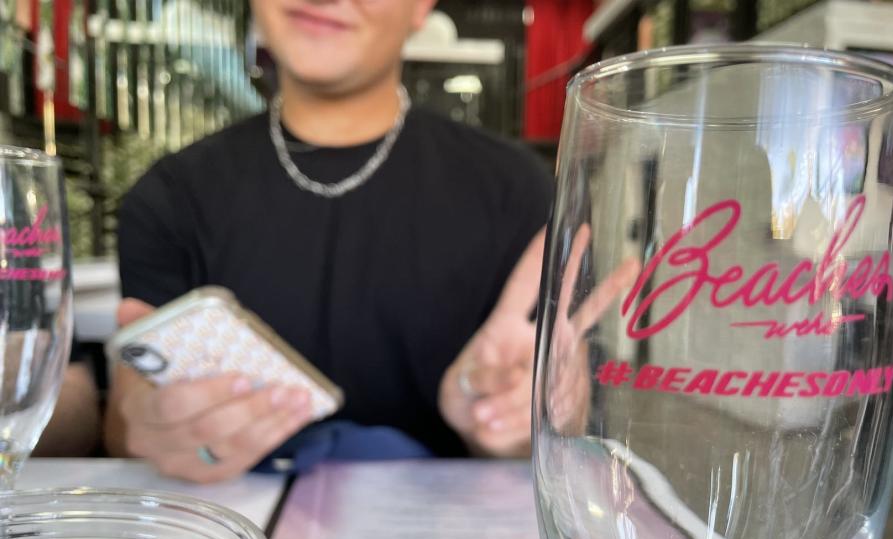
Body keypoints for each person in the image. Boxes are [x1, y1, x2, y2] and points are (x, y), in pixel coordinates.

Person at [105, 0, 555, 482]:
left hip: (454, 538)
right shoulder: (170, 198)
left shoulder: (518, 192)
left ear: (422, 7)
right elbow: (126, 420)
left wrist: (510, 428)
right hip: (226, 534)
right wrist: (150, 422)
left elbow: (561, 428)